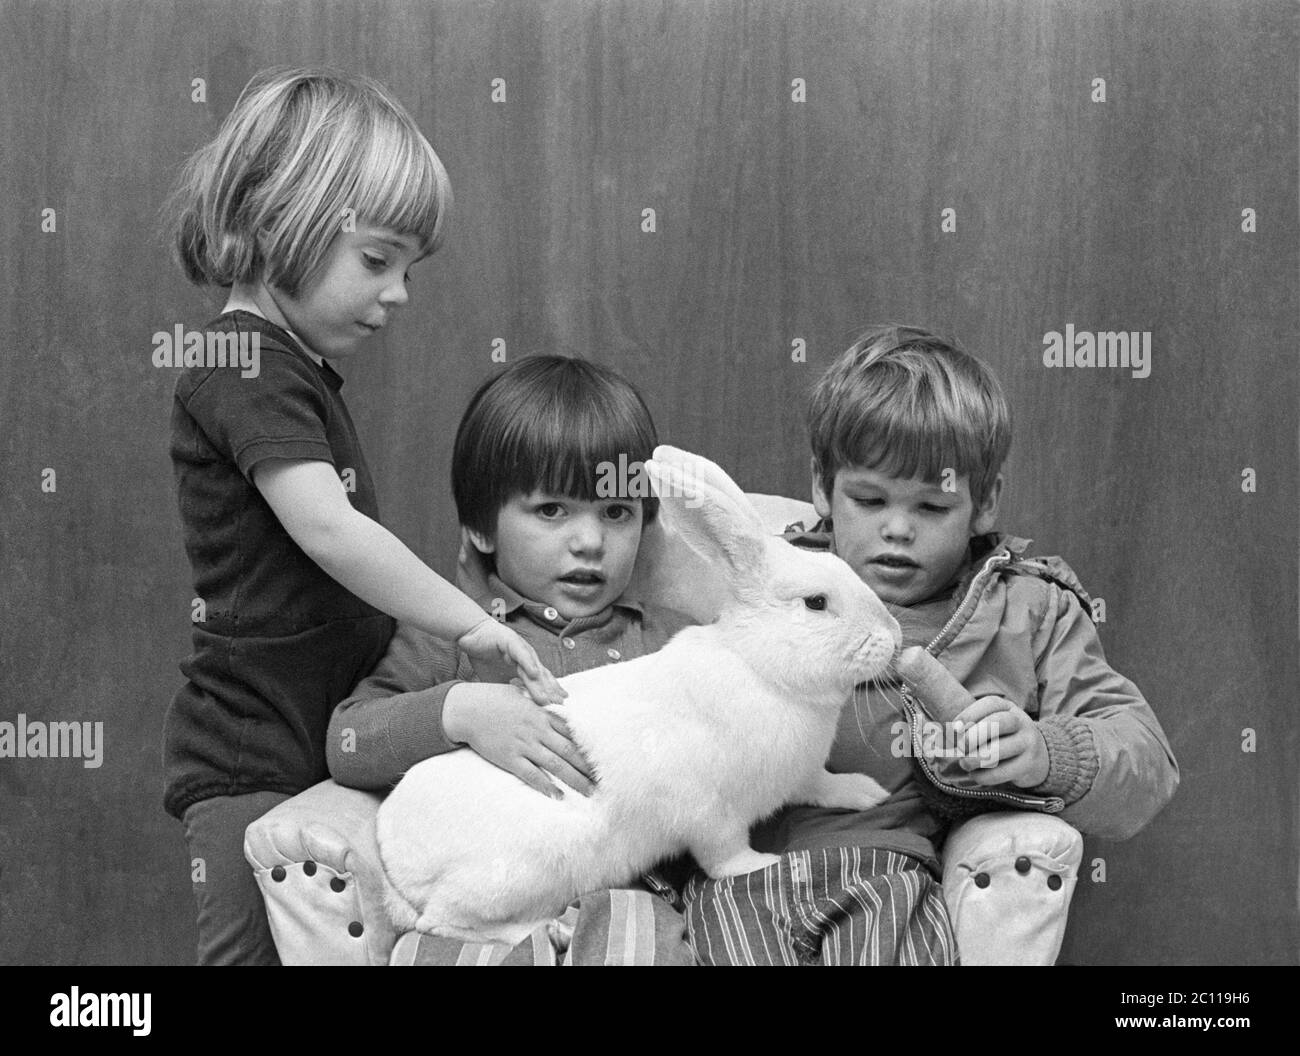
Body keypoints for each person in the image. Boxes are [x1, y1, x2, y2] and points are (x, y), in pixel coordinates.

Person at [162, 68, 564, 966]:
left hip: (323, 735)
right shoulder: (241, 364)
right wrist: (470, 624)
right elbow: (330, 531)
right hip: (252, 755)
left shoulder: (286, 369)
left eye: (409, 269)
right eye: (377, 260)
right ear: (278, 225)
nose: (399, 295)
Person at [682, 324, 1180, 965]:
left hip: (891, 880)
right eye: (867, 499)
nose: (896, 529)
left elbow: (1146, 764)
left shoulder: (1027, 609)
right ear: (821, 486)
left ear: (984, 503)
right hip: (742, 875)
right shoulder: (768, 579)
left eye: (932, 507)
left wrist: (1044, 754)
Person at [328, 355, 697, 965]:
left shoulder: (667, 646)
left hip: (620, 896)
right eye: (552, 510)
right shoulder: (457, 636)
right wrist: (460, 713)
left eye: (616, 512)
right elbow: (347, 741)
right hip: (477, 903)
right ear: (481, 526)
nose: (589, 541)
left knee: (638, 938)